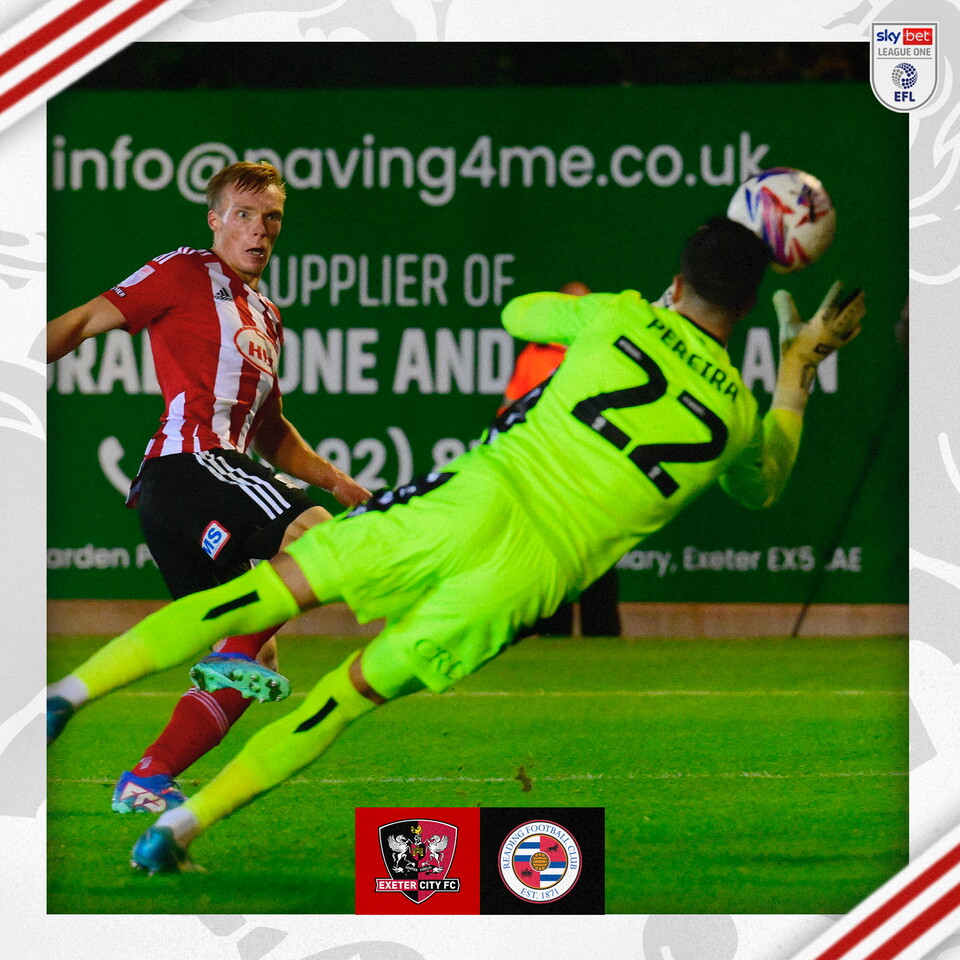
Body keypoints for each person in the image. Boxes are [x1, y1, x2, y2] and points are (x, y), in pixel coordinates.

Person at [46, 216, 866, 873]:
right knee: (344, 698)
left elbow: (518, 316)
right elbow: (765, 485)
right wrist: (796, 371)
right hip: (531, 576)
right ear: (750, 310)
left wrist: (626, 311)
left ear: (678, 282)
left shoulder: (622, 316)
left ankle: (70, 697)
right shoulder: (734, 421)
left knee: (267, 591)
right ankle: (178, 830)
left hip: (475, 500)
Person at [46, 161, 371, 815]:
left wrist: (338, 481)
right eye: (244, 214)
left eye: (271, 217)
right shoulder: (185, 272)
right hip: (193, 466)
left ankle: (148, 776)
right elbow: (81, 323)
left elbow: (272, 431)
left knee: (258, 660)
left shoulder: (266, 316)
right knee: (319, 544)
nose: (259, 229)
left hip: (198, 488)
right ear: (215, 219)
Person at [500, 280, 621, 638]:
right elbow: (508, 414)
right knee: (553, 567)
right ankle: (553, 641)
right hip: (549, 478)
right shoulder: (535, 356)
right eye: (574, 307)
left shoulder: (610, 352)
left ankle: (604, 642)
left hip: (598, 478)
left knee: (600, 566)